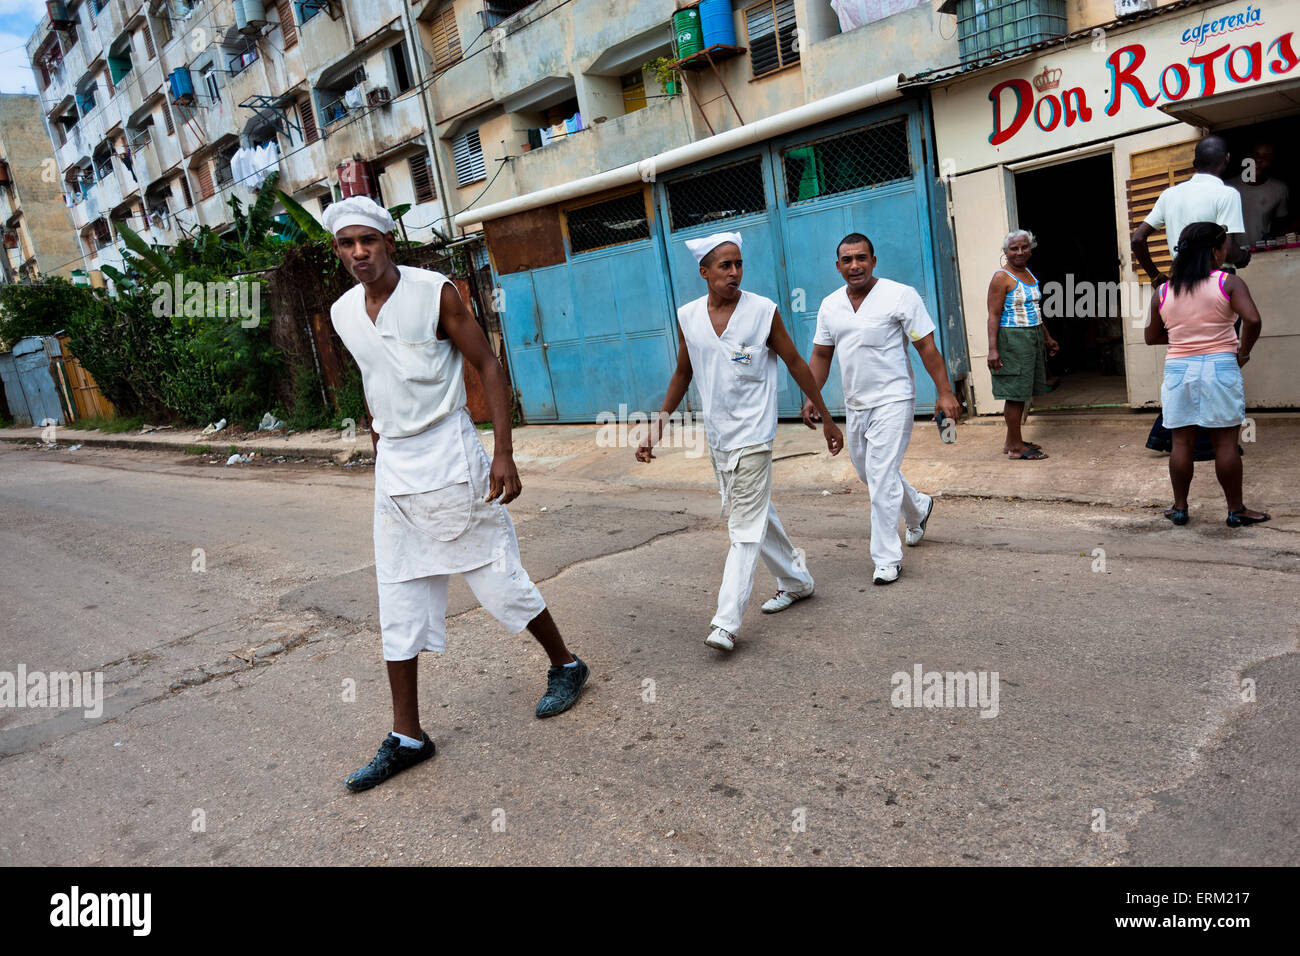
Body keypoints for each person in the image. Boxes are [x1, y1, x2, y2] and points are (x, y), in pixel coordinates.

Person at [325, 196, 588, 793]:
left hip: (450, 454)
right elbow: (376, 382)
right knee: (397, 598)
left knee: (496, 580)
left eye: (368, 240)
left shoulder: (434, 292)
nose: (359, 253)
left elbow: (487, 366)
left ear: (389, 242)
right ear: (338, 251)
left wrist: (503, 451)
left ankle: (566, 666)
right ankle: (408, 736)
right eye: (347, 244)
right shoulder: (343, 313)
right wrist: (376, 446)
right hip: (395, 468)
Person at [636, 232, 843, 651]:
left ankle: (726, 622)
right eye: (724, 266)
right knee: (756, 513)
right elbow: (682, 373)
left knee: (743, 529)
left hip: (754, 434)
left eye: (738, 264)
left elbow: (796, 362)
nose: (734, 272)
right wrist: (658, 424)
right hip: (719, 436)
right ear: (704, 272)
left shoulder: (762, 311)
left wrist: (826, 415)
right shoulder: (689, 316)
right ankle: (797, 580)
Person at [802, 233, 962, 585]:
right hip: (855, 404)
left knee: (881, 477)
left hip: (894, 398)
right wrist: (812, 394)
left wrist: (944, 392)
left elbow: (927, 347)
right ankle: (919, 508)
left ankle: (887, 559)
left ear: (874, 260)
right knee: (869, 472)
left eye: (861, 258)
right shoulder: (830, 305)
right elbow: (821, 355)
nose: (855, 265)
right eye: (847, 260)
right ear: (838, 265)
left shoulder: (900, 295)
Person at [1144, 221, 1268, 528]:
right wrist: (1243, 353)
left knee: (1181, 443)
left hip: (1178, 369)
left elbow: (1151, 337)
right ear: (1215, 251)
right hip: (1220, 366)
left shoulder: (1163, 290)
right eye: (1224, 245)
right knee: (1225, 443)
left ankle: (1180, 508)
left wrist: (1183, 338)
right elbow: (1252, 319)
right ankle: (1235, 510)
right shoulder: (1228, 282)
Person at [1132, 135, 1250, 284]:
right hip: (1214, 282)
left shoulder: (1169, 195)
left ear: (1195, 163)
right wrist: (1243, 255)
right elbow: (1227, 251)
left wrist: (1155, 276)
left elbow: (1137, 239)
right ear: (1227, 158)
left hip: (1179, 284)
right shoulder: (1227, 194)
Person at [986, 229, 1059, 460]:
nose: (1019, 252)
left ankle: (1011, 440)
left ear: (1030, 248)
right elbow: (993, 315)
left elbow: (1034, 311)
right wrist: (993, 349)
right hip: (1013, 339)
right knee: (1015, 394)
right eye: (1014, 248)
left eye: (1024, 247)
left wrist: (1046, 337)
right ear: (1005, 251)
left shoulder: (1027, 272)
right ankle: (1017, 448)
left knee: (1022, 392)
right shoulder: (1001, 277)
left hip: (1032, 336)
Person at [1230, 141, 1290, 248]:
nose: (1259, 160)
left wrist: (1271, 237)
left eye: (1266, 156)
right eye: (1255, 155)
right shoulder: (1229, 187)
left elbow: (1280, 222)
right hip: (1232, 255)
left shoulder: (1279, 188)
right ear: (1247, 157)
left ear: (1273, 160)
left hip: (1263, 252)